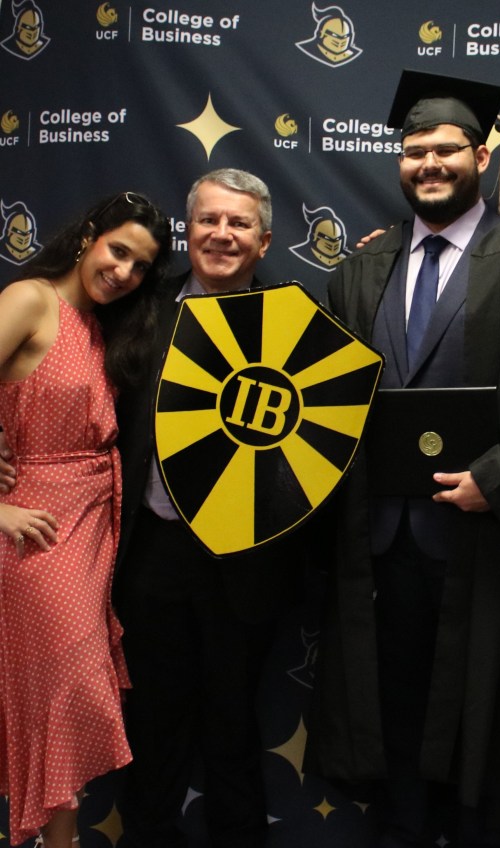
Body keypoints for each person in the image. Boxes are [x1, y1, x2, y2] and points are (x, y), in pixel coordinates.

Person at [304, 70, 500, 848]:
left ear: (482, 156)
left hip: (490, 541)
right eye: (414, 151)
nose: (429, 164)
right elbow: (323, 403)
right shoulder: (362, 271)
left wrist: (499, 478)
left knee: (489, 733)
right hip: (380, 547)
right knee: (392, 729)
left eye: (446, 149)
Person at [113, 168, 298, 848]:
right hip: (153, 556)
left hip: (244, 561)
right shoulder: (141, 308)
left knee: (233, 726)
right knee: (151, 728)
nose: (222, 234)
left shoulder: (294, 322)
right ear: (187, 231)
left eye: (239, 223)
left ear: (264, 240)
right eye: (209, 220)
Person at [0, 191, 171, 848]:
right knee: (61, 694)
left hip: (94, 527)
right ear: (87, 237)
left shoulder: (102, 325)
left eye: (140, 266)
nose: (124, 272)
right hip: (40, 531)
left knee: (60, 699)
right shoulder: (31, 299)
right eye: (117, 250)